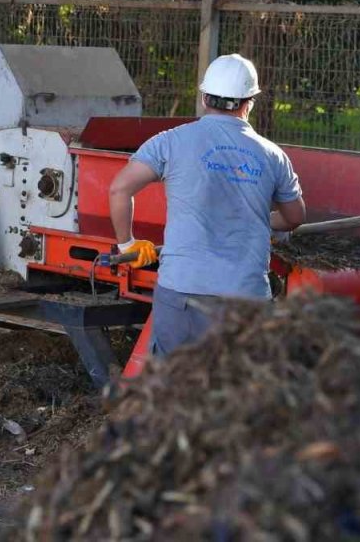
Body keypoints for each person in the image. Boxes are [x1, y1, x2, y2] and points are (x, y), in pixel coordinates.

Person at [107, 53, 305, 356]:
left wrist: (127, 245)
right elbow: (294, 217)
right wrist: (254, 218)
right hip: (246, 299)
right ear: (249, 102)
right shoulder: (272, 155)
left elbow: (119, 189)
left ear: (203, 97)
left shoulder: (170, 142)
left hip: (183, 295)